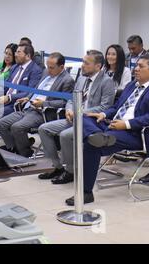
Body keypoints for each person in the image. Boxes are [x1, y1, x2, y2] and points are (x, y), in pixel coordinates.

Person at [69, 53, 149, 206]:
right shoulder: (132, 85)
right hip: (112, 126)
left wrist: (126, 124)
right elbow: (116, 108)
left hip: (138, 134)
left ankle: (86, 192)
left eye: (141, 66)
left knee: (90, 146)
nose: (136, 69)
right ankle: (96, 135)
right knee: (83, 117)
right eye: (136, 65)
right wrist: (103, 114)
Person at [37, 50, 115, 184]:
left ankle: (71, 171)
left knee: (65, 135)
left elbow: (105, 107)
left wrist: (79, 112)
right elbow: (71, 99)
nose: (82, 65)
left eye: (86, 63)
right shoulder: (82, 78)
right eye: (83, 61)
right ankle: (56, 166)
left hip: (91, 122)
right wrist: (68, 110)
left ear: (98, 66)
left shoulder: (106, 82)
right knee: (44, 129)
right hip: (74, 118)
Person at [0, 52, 75, 157]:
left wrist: (44, 103)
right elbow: (36, 89)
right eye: (47, 66)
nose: (48, 70)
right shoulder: (46, 73)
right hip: (29, 107)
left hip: (42, 113)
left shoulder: (67, 80)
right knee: (0, 123)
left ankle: (24, 153)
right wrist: (28, 98)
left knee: (17, 127)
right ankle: (13, 148)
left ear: (61, 67)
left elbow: (65, 102)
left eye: (52, 67)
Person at [0, 43, 43, 138]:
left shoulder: (35, 70)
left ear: (28, 56)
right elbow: (6, 86)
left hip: (16, 104)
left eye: (19, 52)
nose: (15, 54)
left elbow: (29, 93)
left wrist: (9, 97)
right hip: (3, 100)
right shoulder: (15, 67)